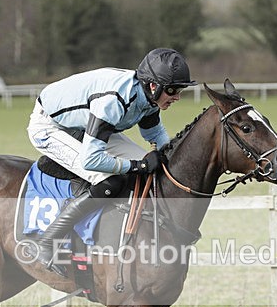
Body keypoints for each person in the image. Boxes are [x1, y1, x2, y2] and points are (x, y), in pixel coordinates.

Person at [26, 48, 196, 275]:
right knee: (111, 181)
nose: (177, 97)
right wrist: (137, 166)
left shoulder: (147, 96)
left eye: (180, 90)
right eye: (173, 90)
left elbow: (156, 136)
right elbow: (92, 159)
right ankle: (48, 240)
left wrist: (175, 162)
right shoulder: (114, 101)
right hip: (50, 127)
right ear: (154, 86)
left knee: (151, 171)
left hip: (84, 124)